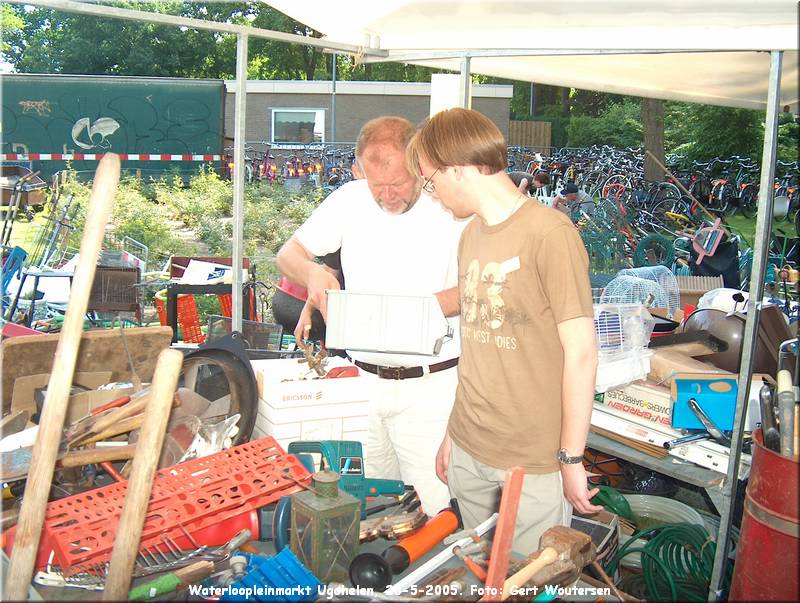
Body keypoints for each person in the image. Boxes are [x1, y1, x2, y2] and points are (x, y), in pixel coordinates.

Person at [406, 107, 602, 554]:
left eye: (431, 182)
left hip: (529, 456)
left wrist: (571, 457)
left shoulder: (550, 234)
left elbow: (582, 353)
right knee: (477, 568)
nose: (432, 195)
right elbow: (477, 345)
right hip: (471, 444)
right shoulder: (471, 234)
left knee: (529, 578)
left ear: (457, 169)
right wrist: (454, 432)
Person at [276, 116, 465, 516]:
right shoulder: (350, 198)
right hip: (363, 383)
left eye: (397, 184)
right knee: (367, 505)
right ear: (359, 169)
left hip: (431, 386)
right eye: (376, 185)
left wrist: (413, 313)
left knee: (435, 509)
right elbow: (287, 255)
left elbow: (482, 287)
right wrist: (314, 273)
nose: (386, 195)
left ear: (418, 164)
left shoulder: (449, 205)